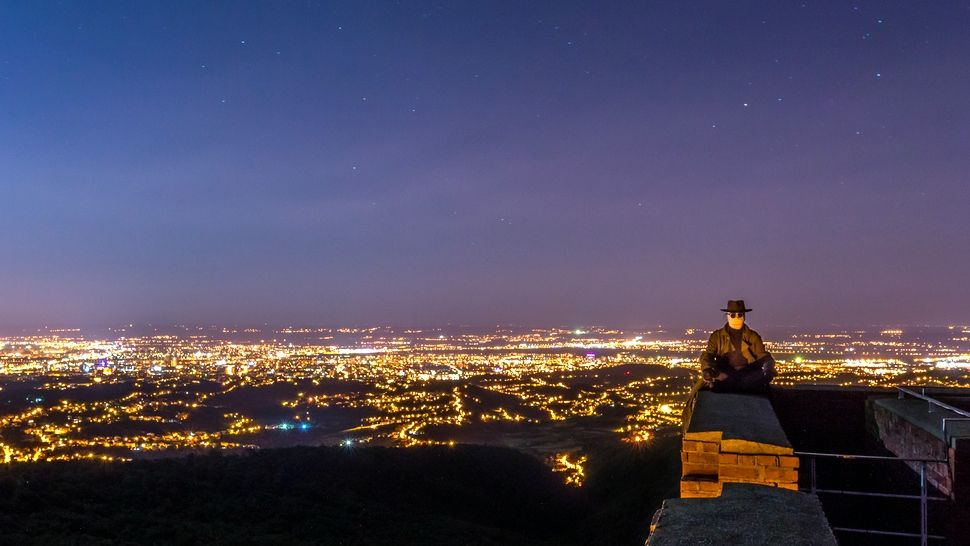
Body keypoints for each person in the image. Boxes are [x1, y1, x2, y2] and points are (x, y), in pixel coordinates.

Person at [697, 300, 776, 394]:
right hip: (725, 372)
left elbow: (763, 356)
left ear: (744, 316)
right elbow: (708, 355)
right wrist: (707, 369)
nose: (737, 317)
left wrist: (769, 367)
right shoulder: (717, 336)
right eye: (733, 315)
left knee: (751, 381)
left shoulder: (753, 336)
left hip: (747, 373)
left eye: (740, 314)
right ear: (727, 316)